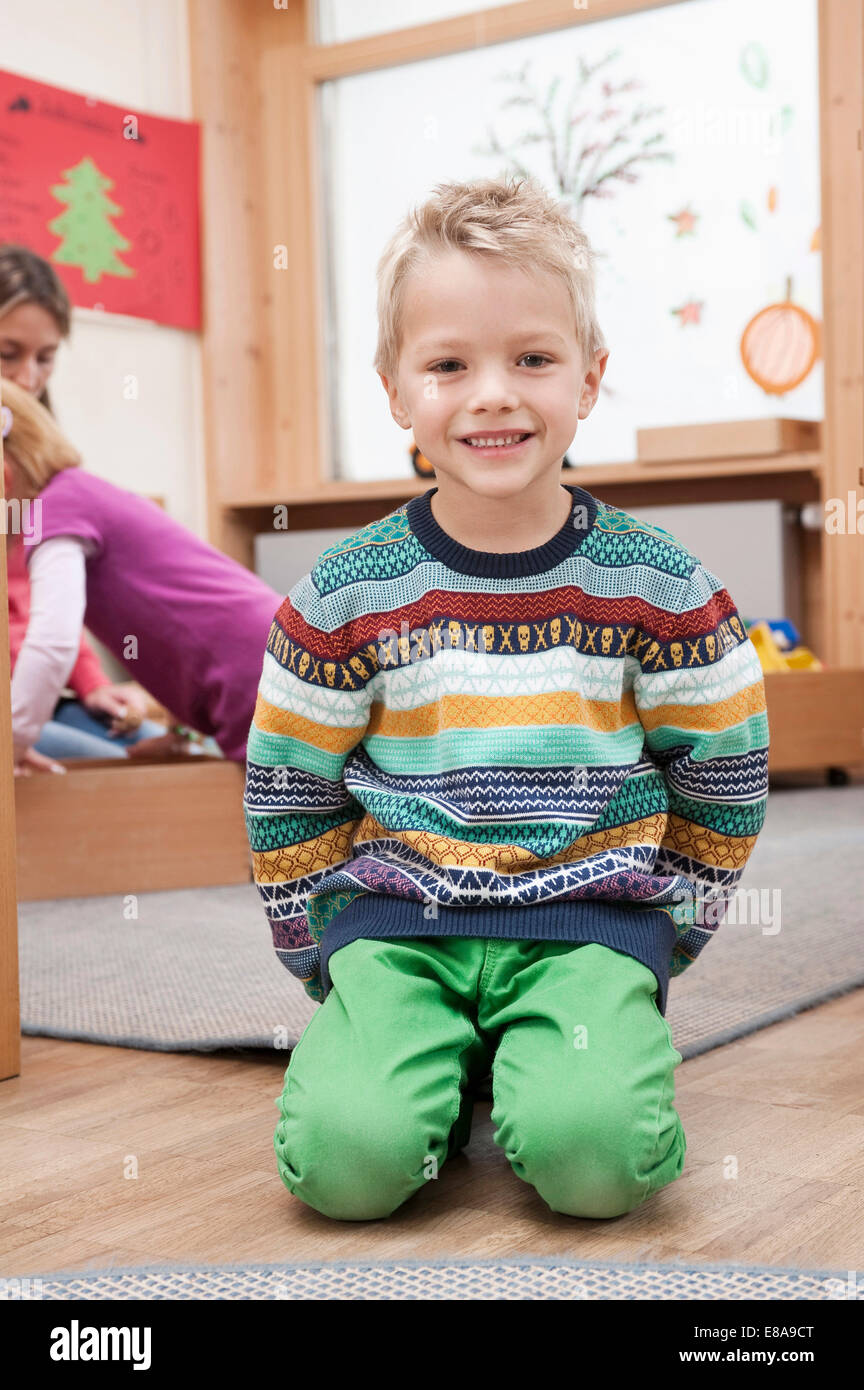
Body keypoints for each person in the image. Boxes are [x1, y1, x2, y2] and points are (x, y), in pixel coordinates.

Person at [244, 174, 770, 1222]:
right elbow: (287, 789)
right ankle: (427, 1067)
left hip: (587, 935)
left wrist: (668, 927)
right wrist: (322, 956)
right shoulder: (342, 592)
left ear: (589, 379)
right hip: (398, 928)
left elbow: (725, 769)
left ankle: (546, 1065)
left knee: (598, 1169)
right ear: (397, 390)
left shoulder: (656, 583)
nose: (493, 393)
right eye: (449, 364)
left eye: (533, 358)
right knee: (348, 1168)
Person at [1, 378, 283, 769]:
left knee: (297, 821)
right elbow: (187, 623)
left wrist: (10, 746)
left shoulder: (52, 512)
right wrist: (183, 732)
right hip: (279, 657)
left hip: (263, 682)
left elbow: (52, 644)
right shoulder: (82, 495)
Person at [0, 243, 164, 767]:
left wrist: (92, 682)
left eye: (44, 358)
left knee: (155, 751)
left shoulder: (36, 459)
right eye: (8, 354)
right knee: (112, 770)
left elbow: (39, 591)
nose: (27, 378)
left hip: (42, 693)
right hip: (17, 704)